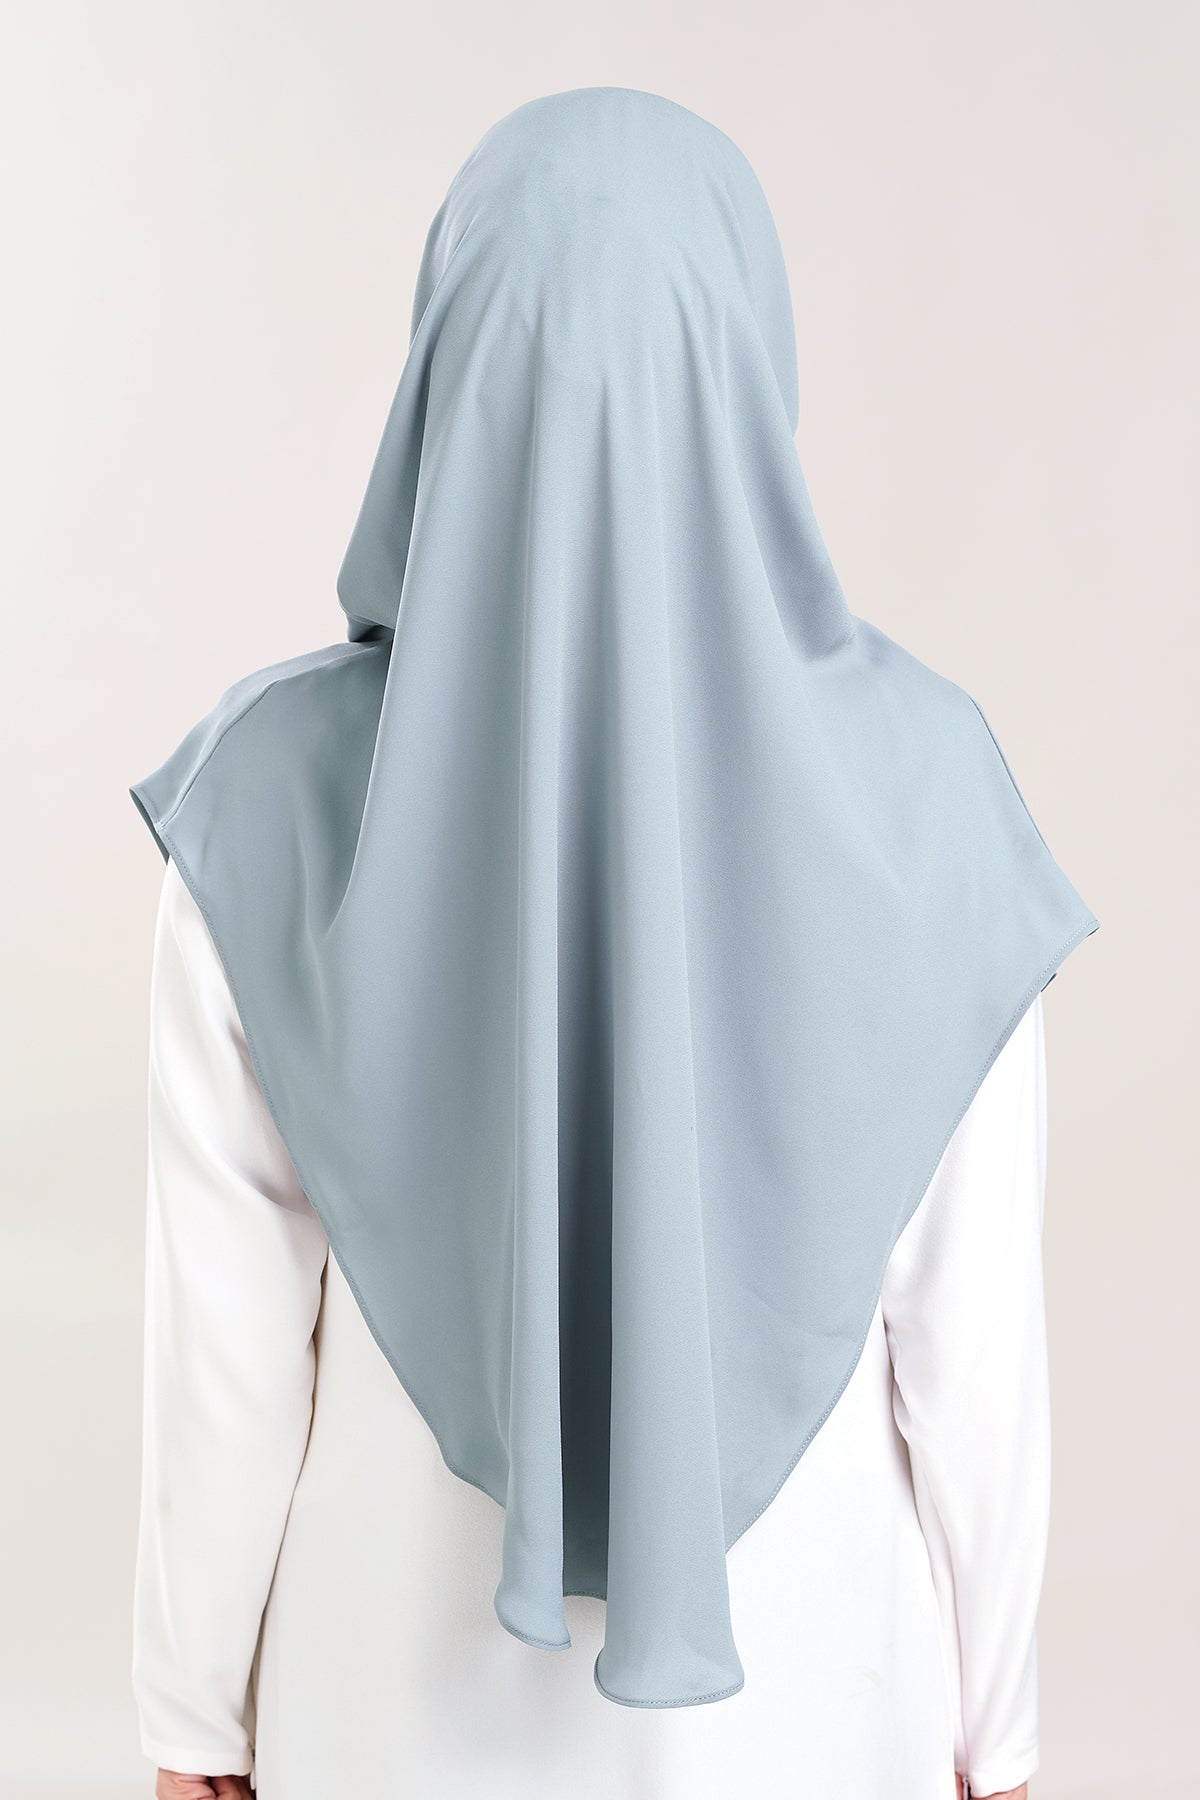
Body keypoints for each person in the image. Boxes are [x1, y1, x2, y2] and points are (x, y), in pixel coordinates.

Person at [129, 88, 1097, 1800]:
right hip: (816, 1707)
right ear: (752, 372)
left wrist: (193, 1717)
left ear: (443, 374)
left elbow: (231, 1362)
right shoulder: (931, 802)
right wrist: (998, 1729)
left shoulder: (265, 805)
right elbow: (973, 1365)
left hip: (389, 1705)